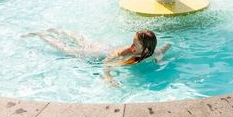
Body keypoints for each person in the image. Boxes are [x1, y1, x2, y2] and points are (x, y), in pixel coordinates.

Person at [24, 29, 170, 85]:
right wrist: (108, 77)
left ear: (147, 49)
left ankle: (60, 31)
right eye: (132, 41)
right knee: (67, 50)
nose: (132, 45)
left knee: (84, 42)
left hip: (104, 47)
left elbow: (165, 48)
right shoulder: (128, 51)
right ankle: (42, 35)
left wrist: (161, 60)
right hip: (100, 53)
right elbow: (107, 61)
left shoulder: (152, 53)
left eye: (135, 44)